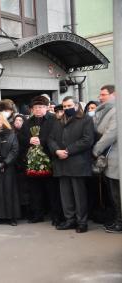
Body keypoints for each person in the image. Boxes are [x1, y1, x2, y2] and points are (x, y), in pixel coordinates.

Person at [48, 96, 94, 233]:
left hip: (77, 163)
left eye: (69, 106)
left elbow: (87, 140)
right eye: (65, 106)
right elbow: (50, 138)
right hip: (61, 162)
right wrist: (56, 150)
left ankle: (82, 222)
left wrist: (68, 150)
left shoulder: (86, 119)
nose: (67, 109)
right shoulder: (58, 120)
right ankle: (70, 220)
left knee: (79, 195)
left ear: (76, 105)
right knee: (65, 194)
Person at [19, 96, 62, 225]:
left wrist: (41, 141)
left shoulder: (54, 120)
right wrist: (29, 140)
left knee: (52, 190)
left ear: (47, 108)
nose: (38, 109)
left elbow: (57, 137)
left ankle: (57, 216)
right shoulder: (27, 122)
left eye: (41, 107)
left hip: (50, 160)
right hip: (33, 161)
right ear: (32, 109)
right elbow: (20, 137)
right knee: (35, 190)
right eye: (36, 107)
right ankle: (37, 214)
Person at [93, 85, 121, 233]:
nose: (100, 97)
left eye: (103, 94)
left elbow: (110, 134)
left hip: (116, 158)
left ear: (114, 94)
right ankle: (117, 220)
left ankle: (120, 223)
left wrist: (95, 150)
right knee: (113, 194)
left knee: (117, 194)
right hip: (111, 159)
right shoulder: (108, 110)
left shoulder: (117, 111)